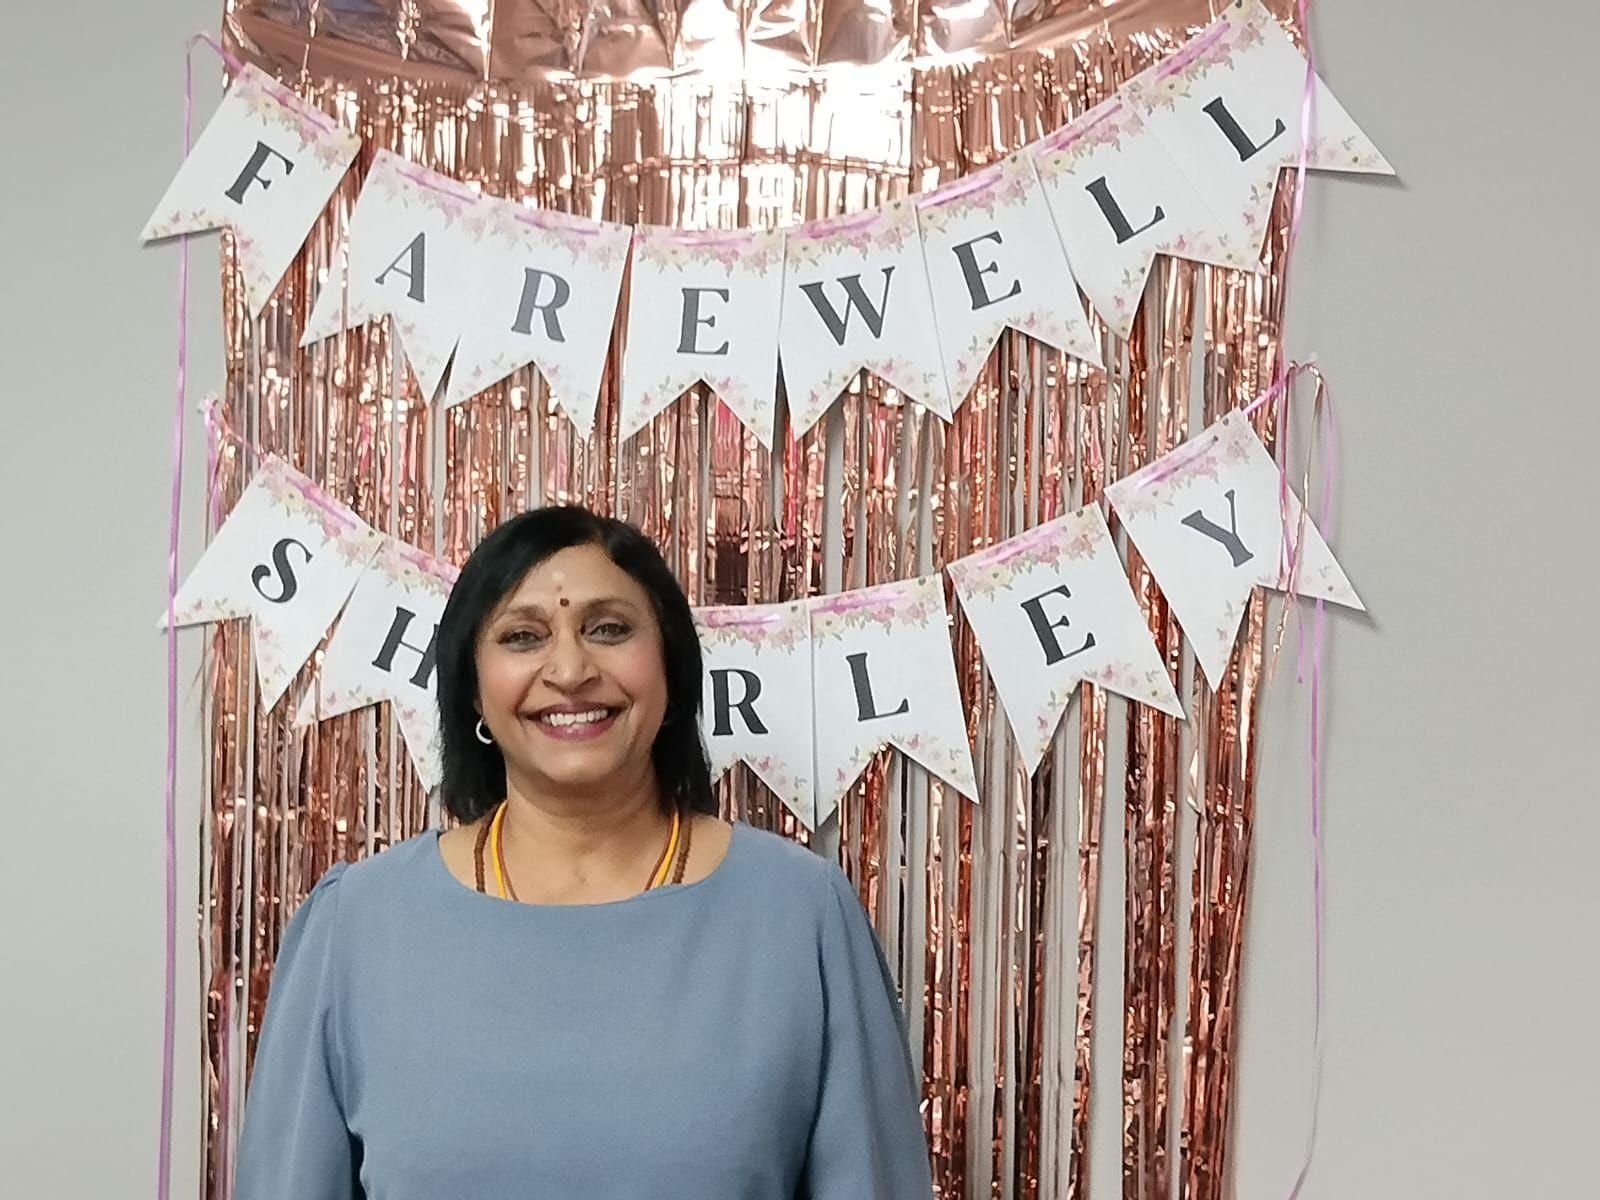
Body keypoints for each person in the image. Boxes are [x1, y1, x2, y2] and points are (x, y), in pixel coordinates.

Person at [234, 505, 934, 1199]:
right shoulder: (357, 926)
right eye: (523, 636)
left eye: (608, 629)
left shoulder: (800, 915)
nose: (570, 670)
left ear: (670, 669)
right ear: (472, 687)